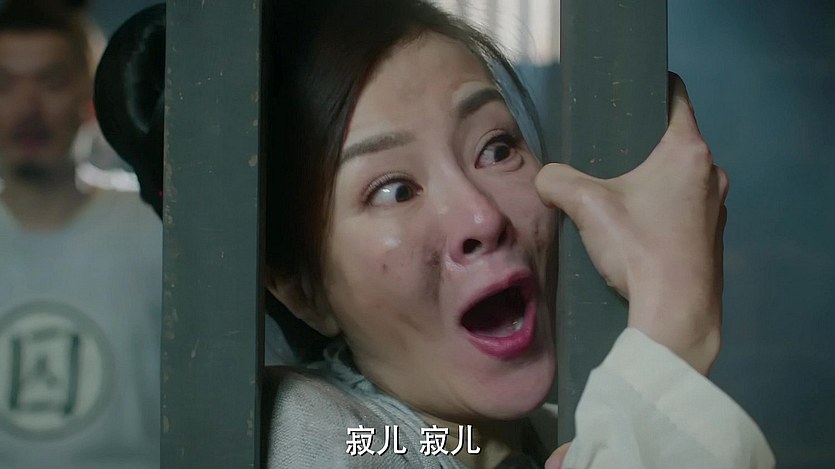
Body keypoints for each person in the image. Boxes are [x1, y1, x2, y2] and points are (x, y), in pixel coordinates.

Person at [260, 1, 775, 467]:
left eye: (497, 149)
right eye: (394, 191)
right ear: (303, 290)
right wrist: (675, 317)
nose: (482, 217)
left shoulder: (560, 432)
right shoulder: (310, 433)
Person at [0, 4, 160, 468]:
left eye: (50, 82)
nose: (28, 108)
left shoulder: (153, 227)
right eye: (4, 84)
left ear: (89, 96)